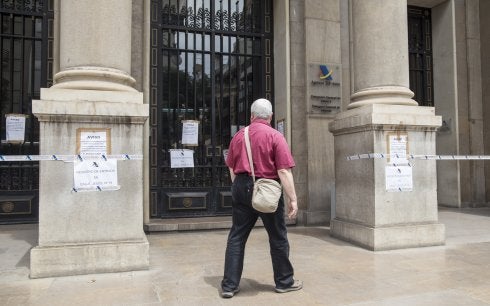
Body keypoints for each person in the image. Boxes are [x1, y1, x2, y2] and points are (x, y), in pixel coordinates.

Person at [221, 98, 302, 298]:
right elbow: (283, 171)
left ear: (251, 116)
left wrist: (240, 187)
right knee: (278, 237)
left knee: (237, 237)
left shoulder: (239, 136)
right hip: (268, 189)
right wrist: (293, 198)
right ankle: (284, 281)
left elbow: (231, 167)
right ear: (271, 116)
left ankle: (229, 286)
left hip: (241, 185)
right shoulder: (276, 136)